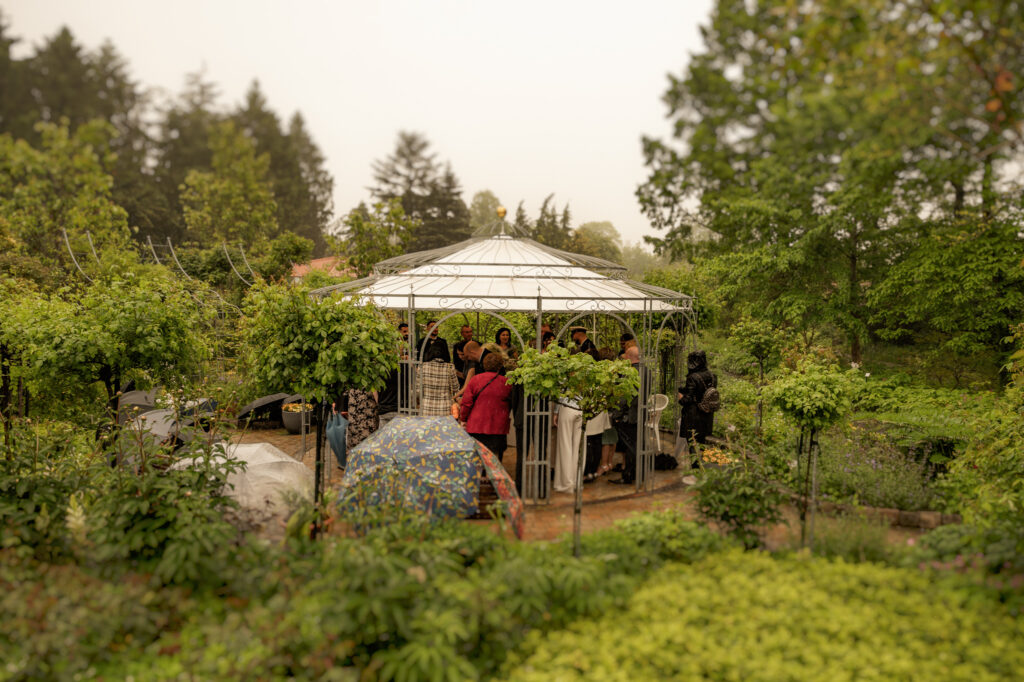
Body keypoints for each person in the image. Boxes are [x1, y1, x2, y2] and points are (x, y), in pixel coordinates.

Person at [460, 352, 512, 461]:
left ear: (484, 365)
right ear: (500, 365)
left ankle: (481, 475)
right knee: (496, 454)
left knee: (478, 454)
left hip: (477, 424)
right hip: (498, 425)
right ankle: (494, 473)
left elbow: (466, 402)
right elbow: (510, 403)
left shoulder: (475, 380)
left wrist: (463, 419)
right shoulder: (506, 382)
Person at [609, 345, 642, 485]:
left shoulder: (630, 373)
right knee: (636, 445)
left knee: (630, 447)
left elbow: (623, 398)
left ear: (628, 357)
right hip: (640, 414)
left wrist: (615, 415)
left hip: (629, 416)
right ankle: (637, 474)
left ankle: (628, 475)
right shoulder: (647, 371)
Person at [678, 350, 717, 461]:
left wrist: (680, 397)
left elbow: (687, 399)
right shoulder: (713, 376)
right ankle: (704, 467)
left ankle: (695, 468)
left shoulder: (693, 377)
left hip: (693, 416)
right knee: (704, 442)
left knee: (692, 442)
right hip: (707, 413)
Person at [417, 342, 460, 417]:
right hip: (445, 409)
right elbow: (456, 388)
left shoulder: (422, 367)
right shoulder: (450, 367)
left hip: (426, 408)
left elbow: (418, 390)